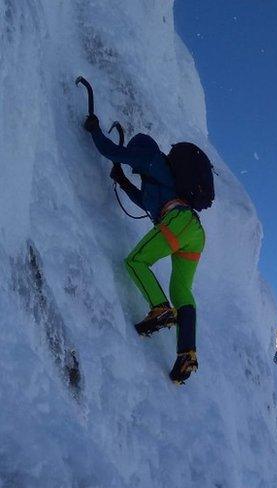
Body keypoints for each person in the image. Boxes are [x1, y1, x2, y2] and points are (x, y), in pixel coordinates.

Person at [83, 114, 205, 385]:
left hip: (178, 221)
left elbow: (111, 150)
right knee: (181, 290)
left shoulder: (150, 158)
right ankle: (187, 352)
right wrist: (124, 181)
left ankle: (160, 309)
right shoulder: (157, 178)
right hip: (194, 232)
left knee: (136, 261)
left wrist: (95, 131)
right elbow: (143, 203)